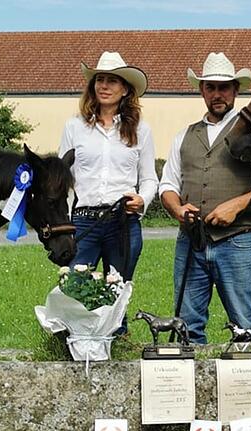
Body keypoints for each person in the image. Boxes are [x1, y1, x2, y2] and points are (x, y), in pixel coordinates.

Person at [159, 52, 251, 344]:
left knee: (243, 326)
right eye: (210, 87)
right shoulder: (183, 136)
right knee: (186, 328)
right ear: (202, 90)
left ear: (235, 89)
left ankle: (245, 388)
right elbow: (167, 184)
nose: (217, 94)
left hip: (237, 241)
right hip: (190, 241)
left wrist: (237, 205)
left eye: (224, 87)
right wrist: (177, 209)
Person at [58, 51, 157, 303]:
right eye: (99, 79)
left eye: (112, 80)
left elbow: (148, 178)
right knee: (74, 292)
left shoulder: (141, 130)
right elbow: (64, 179)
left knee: (118, 292)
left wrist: (142, 199)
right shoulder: (74, 127)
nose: (104, 86)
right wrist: (66, 221)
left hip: (122, 222)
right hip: (83, 221)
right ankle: (75, 341)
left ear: (125, 89)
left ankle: (117, 340)